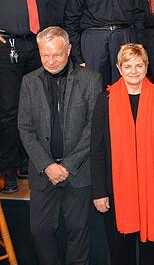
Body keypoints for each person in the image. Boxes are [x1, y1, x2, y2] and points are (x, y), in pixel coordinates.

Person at [17, 27, 101, 264]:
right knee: (40, 232)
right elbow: (25, 127)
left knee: (78, 232)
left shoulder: (90, 79)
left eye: (56, 54)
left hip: (78, 172)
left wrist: (68, 164)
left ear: (69, 50)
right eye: (45, 55)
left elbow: (93, 128)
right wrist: (47, 165)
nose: (51, 61)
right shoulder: (29, 81)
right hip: (43, 173)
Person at [91, 44, 154, 265]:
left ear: (146, 66)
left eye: (139, 65)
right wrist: (99, 192)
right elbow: (97, 150)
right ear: (119, 68)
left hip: (153, 189)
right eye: (127, 66)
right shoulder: (105, 100)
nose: (133, 71)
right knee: (121, 253)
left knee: (153, 253)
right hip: (116, 191)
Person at [0, 0, 48, 193]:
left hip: (36, 46)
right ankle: (6, 169)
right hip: (7, 48)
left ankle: (27, 162)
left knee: (35, 109)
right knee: (8, 110)